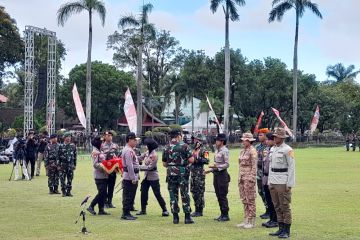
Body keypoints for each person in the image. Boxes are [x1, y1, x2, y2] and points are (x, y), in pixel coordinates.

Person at [162, 129, 195, 224]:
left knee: (173, 194)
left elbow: (164, 164)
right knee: (184, 194)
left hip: (171, 173)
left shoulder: (166, 147)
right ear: (178, 135)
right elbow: (192, 160)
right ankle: (187, 217)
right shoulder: (185, 146)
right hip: (182, 173)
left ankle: (175, 217)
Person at [268, 128, 295, 239]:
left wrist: (289, 184)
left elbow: (292, 167)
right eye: (274, 136)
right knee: (277, 206)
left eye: (276, 136)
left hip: (283, 181)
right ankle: (280, 228)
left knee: (285, 206)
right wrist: (269, 181)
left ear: (282, 138)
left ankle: (287, 231)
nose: (274, 138)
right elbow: (270, 166)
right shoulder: (273, 149)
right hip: (273, 180)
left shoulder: (288, 150)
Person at [136, 138, 169, 217]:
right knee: (143, 192)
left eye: (147, 145)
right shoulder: (147, 153)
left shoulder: (154, 155)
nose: (145, 146)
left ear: (149, 146)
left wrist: (138, 167)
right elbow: (140, 157)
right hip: (146, 177)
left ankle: (165, 210)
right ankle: (143, 210)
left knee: (157, 194)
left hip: (153, 177)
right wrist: (133, 157)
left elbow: (150, 167)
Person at [205, 133, 230, 222]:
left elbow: (227, 164)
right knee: (218, 194)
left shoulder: (225, 151)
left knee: (222, 195)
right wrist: (210, 170)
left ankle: (225, 215)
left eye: (217, 140)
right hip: (216, 174)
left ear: (222, 141)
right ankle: (222, 214)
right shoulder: (217, 150)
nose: (216, 142)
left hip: (222, 175)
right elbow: (217, 165)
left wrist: (216, 167)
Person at [236, 132, 257, 229]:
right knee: (244, 199)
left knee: (250, 199)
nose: (242, 142)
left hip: (249, 178)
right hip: (242, 177)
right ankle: (246, 220)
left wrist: (252, 178)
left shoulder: (252, 151)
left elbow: (254, 166)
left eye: (244, 140)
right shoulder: (242, 151)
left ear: (249, 141)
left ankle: (251, 220)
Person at [87, 136, 110, 216]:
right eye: (102, 142)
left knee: (103, 193)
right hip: (99, 176)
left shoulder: (100, 151)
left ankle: (101, 209)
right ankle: (91, 206)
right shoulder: (95, 152)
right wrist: (104, 166)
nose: (103, 144)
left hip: (104, 175)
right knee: (102, 192)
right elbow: (95, 164)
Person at [121, 132, 140, 220]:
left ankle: (127, 212)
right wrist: (133, 178)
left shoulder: (129, 149)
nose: (136, 142)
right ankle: (126, 213)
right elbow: (129, 165)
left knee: (130, 195)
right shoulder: (128, 150)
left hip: (130, 175)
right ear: (129, 140)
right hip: (129, 176)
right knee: (128, 195)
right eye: (134, 140)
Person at [261, 132, 278, 228]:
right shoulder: (267, 149)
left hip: (272, 177)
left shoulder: (275, 150)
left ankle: (275, 220)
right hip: (265, 177)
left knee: (273, 200)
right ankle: (271, 219)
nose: (266, 141)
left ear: (272, 140)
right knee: (268, 199)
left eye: (268, 139)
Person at [190, 138, 209, 217]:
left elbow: (207, 160)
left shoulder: (204, 151)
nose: (194, 142)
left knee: (199, 192)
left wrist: (197, 158)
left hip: (200, 174)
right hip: (193, 173)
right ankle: (196, 209)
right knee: (193, 191)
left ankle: (199, 210)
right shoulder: (193, 150)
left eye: (195, 140)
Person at [101, 131, 119, 209]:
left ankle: (110, 202)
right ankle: (104, 202)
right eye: (107, 135)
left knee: (111, 186)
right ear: (104, 137)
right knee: (105, 186)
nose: (109, 137)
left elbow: (118, 156)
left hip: (113, 169)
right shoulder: (101, 145)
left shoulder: (115, 145)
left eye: (110, 135)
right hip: (105, 170)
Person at [256, 128, 270, 219]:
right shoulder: (257, 147)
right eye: (259, 135)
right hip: (258, 172)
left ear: (266, 136)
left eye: (261, 135)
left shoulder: (269, 147)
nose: (259, 136)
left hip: (266, 172)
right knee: (261, 191)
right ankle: (267, 208)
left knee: (267, 192)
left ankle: (270, 210)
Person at [58, 132, 77, 197]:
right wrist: (58, 165)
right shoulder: (60, 146)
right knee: (62, 179)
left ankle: (68, 191)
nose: (69, 138)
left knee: (70, 179)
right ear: (64, 138)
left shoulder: (73, 146)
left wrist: (74, 165)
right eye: (67, 137)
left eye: (70, 137)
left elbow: (75, 156)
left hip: (70, 165)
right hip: (63, 165)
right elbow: (58, 157)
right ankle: (63, 191)